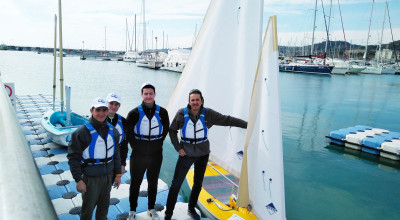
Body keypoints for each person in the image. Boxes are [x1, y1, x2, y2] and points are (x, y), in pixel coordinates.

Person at [164, 89, 247, 220]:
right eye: (193, 100)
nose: (195, 102)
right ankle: (168, 214)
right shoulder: (181, 114)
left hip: (203, 154)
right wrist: (178, 148)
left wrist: (247, 125)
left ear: (202, 101)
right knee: (176, 184)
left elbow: (227, 120)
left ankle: (191, 209)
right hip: (186, 154)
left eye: (197, 100)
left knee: (198, 184)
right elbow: (172, 130)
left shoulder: (208, 114)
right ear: (189, 102)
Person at [67, 97, 122, 220]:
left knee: (103, 209)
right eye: (98, 110)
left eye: (104, 110)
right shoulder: (81, 133)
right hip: (90, 179)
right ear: (91, 110)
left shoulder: (113, 131)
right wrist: (78, 180)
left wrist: (117, 174)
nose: (101, 113)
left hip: (108, 176)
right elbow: (73, 158)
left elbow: (116, 154)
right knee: (87, 211)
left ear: (108, 111)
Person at [126, 82, 170, 220]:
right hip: (138, 154)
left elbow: (165, 130)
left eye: (151, 93)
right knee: (135, 183)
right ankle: (132, 210)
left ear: (155, 94)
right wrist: (137, 147)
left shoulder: (162, 112)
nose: (148, 96)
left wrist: (156, 145)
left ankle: (151, 208)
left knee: (153, 182)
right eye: (146, 94)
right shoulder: (133, 113)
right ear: (142, 95)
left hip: (156, 154)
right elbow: (129, 134)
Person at [106, 92, 128, 175]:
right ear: (106, 103)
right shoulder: (98, 119)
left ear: (119, 106)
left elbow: (124, 144)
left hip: (115, 158)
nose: (113, 106)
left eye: (116, 104)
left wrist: (123, 164)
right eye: (111, 103)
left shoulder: (123, 121)